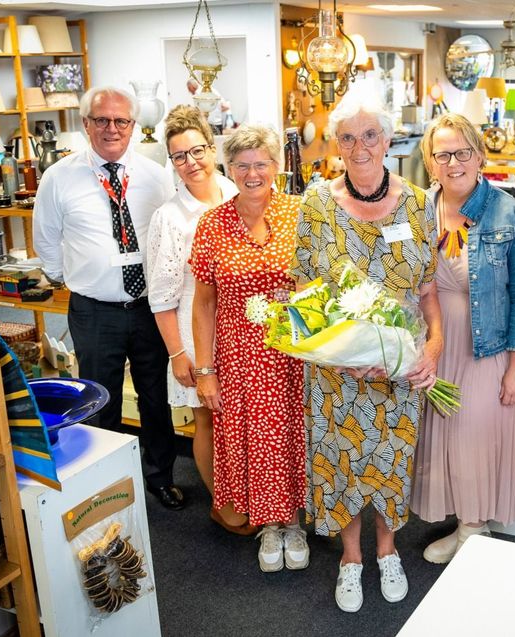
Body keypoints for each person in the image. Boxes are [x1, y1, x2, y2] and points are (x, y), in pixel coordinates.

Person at [293, 89, 442, 613]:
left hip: (400, 369)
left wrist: (433, 349)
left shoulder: (422, 205)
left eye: (370, 135)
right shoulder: (315, 204)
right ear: (337, 145)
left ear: (388, 139)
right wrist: (340, 354)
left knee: (390, 462)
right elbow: (305, 296)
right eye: (348, 137)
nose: (360, 147)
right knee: (341, 464)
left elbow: (427, 293)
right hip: (338, 373)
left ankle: (387, 550)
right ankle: (350, 559)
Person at [33, 86, 185, 510]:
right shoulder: (58, 178)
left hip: (150, 308)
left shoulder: (156, 174)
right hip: (94, 310)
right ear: (86, 125)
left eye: (121, 121)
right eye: (101, 120)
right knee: (101, 398)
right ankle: (107, 480)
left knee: (156, 398)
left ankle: (160, 476)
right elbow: (45, 240)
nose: (111, 129)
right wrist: (78, 279)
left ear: (134, 126)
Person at [411, 114, 515, 563]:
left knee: (473, 440)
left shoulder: (508, 212)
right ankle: (465, 524)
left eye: (462, 151)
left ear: (480, 155)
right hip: (431, 343)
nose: (453, 162)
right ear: (430, 162)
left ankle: (473, 536)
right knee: (442, 437)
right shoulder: (416, 209)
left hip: (485, 345)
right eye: (442, 154)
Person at [190, 124, 308, 571]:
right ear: (229, 169)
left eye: (261, 163)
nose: (252, 172)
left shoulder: (300, 214)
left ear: (276, 166)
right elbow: (203, 304)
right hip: (238, 356)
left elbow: (321, 283)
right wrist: (206, 370)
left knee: (290, 437)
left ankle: (293, 520)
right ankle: (268, 523)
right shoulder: (213, 224)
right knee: (250, 441)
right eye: (242, 165)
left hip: (293, 353)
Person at [146, 105, 240, 530]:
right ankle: (224, 503)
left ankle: (252, 491)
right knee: (207, 416)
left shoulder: (239, 191)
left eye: (197, 150)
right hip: (192, 323)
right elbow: (161, 298)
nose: (191, 162)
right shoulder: (168, 217)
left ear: (212, 147)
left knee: (242, 414)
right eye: (179, 156)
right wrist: (178, 354)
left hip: (244, 322)